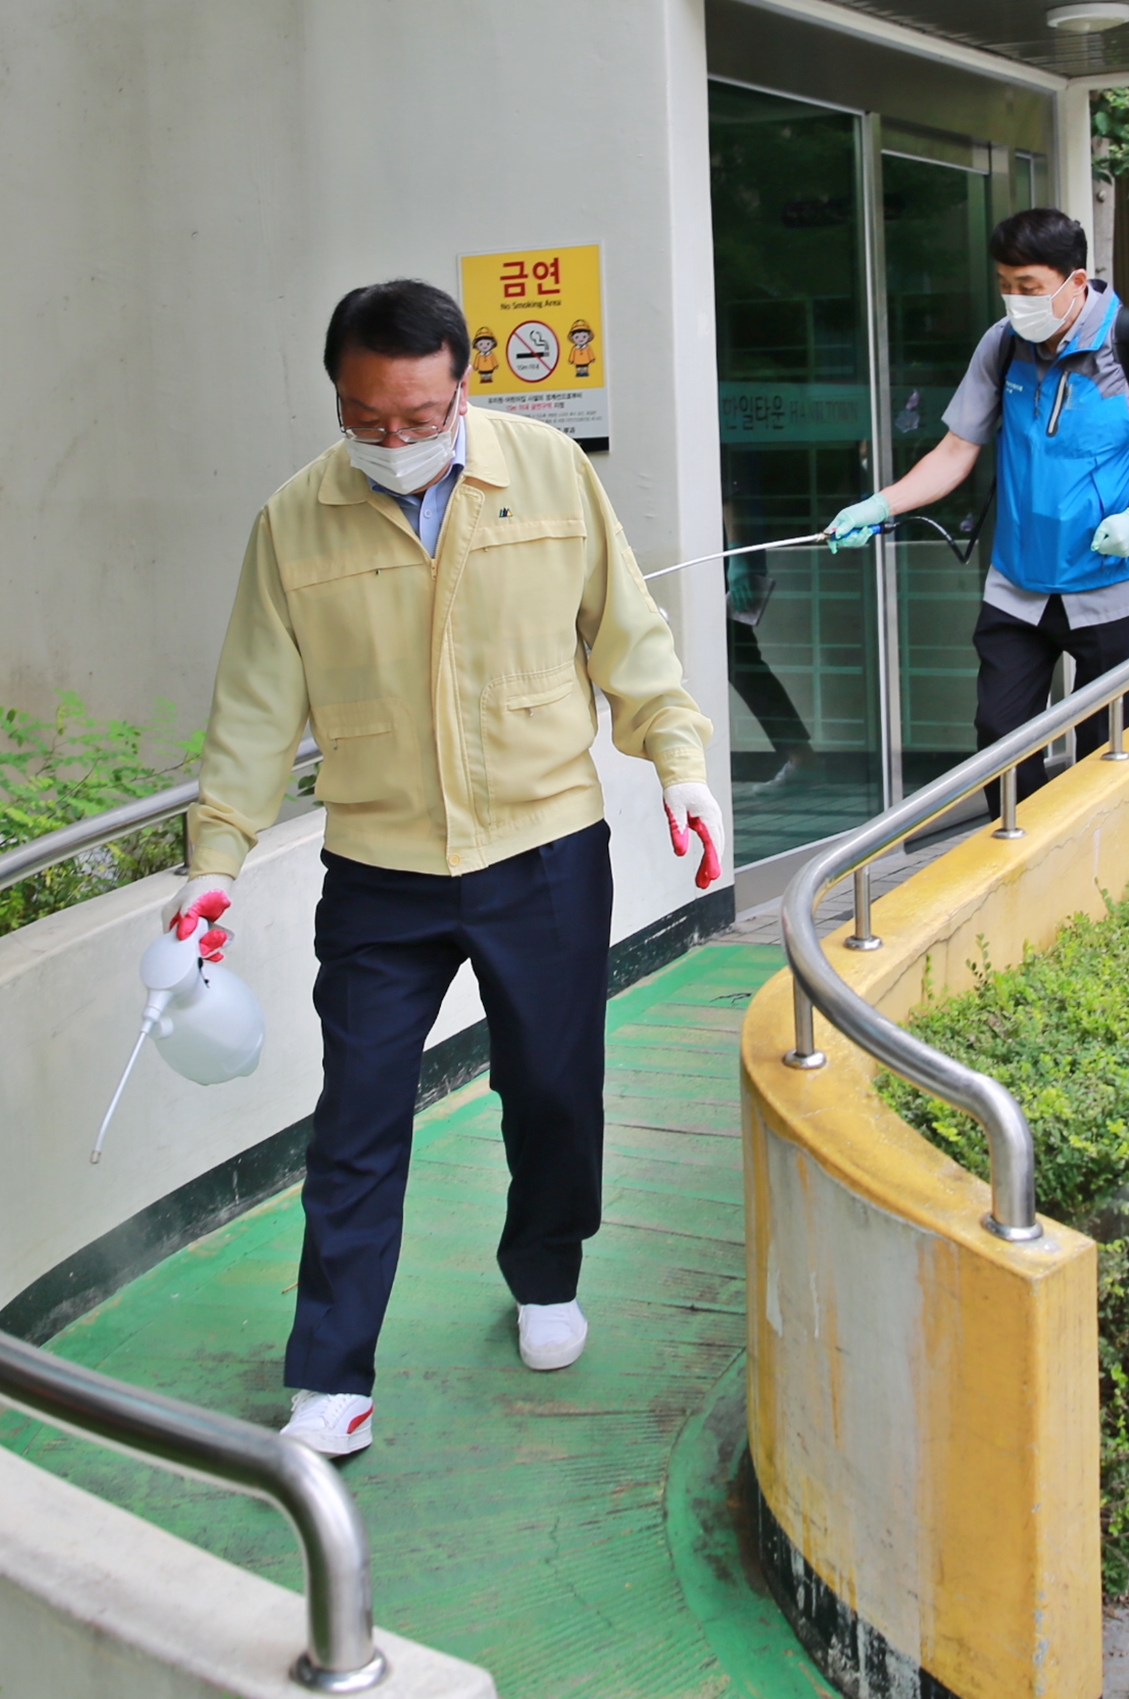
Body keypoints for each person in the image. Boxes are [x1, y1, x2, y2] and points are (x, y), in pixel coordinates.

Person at [169, 280, 721, 1457]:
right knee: (357, 1115)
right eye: (367, 418)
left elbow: (628, 635)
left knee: (553, 1090)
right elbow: (255, 710)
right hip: (380, 866)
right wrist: (212, 859)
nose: (395, 440)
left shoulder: (550, 474)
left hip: (544, 847)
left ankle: (544, 1272)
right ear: (339, 397)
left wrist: (677, 765)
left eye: (418, 415)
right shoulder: (293, 520)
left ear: (461, 383)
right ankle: (331, 1370)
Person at [822, 207, 1129, 802]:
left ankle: (1097, 882)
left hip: (1114, 583)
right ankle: (1022, 871)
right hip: (1020, 584)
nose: (1015, 301)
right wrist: (879, 506)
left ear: (1075, 281)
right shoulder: (1003, 345)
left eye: (1028, 288)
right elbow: (957, 450)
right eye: (1006, 286)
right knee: (999, 737)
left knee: (1107, 750)